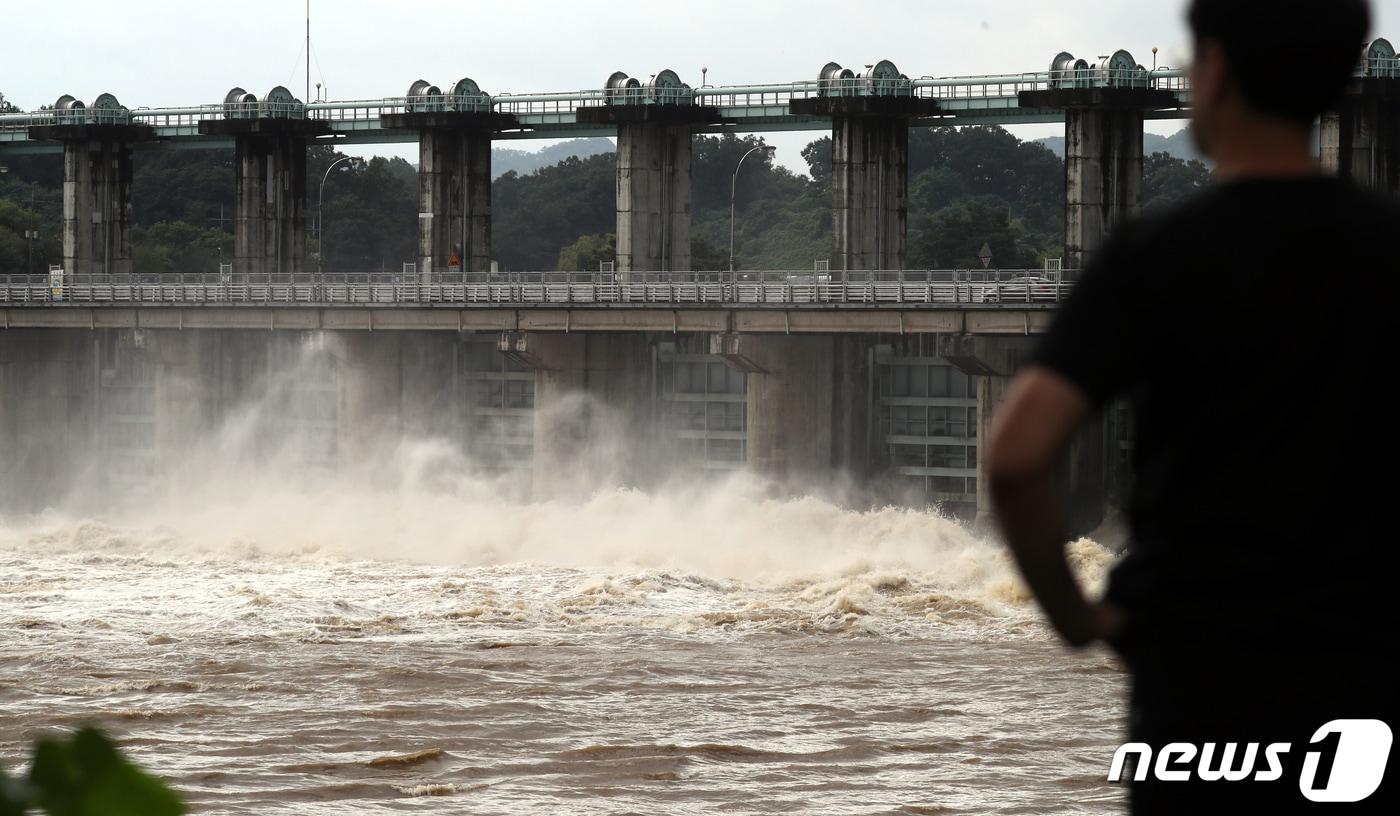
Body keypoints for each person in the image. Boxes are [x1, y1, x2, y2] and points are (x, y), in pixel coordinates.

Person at [986, 0, 1398, 812]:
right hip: (1370, 686)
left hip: (1201, 691)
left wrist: (1076, 619)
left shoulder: (1156, 255)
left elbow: (1015, 457)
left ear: (1213, 72)